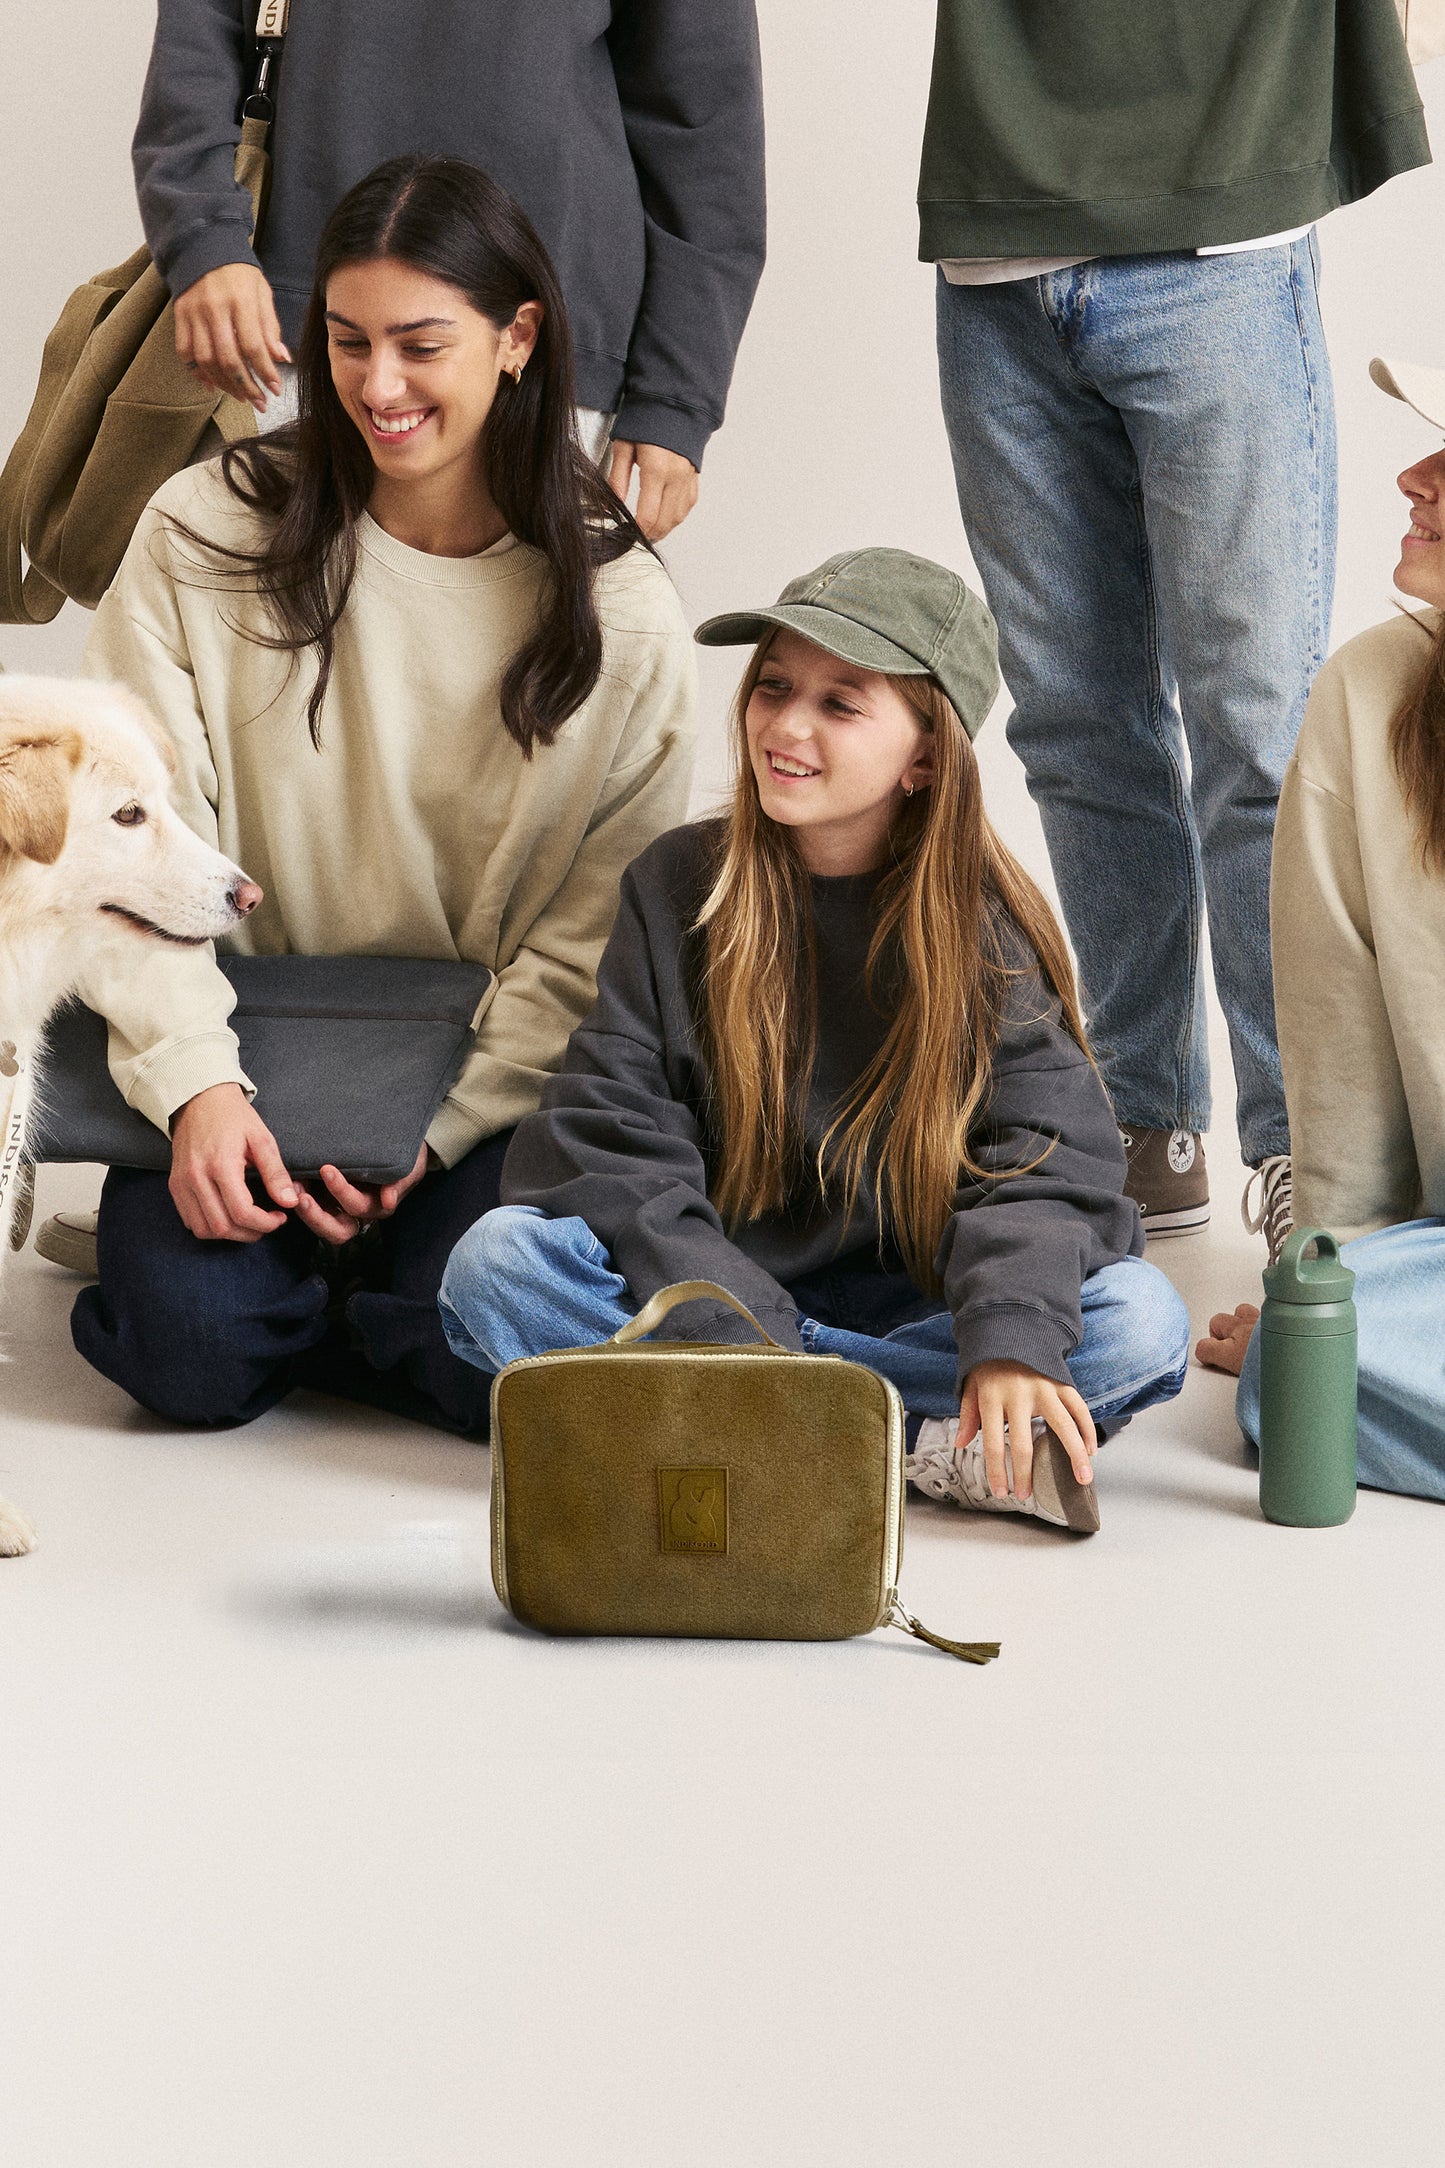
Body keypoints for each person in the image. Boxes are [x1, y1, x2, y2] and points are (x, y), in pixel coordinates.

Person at [63, 155, 697, 1436]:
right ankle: (275, 1296)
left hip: (477, 1088)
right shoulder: (204, 528)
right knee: (191, 1362)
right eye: (345, 343)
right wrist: (194, 1089)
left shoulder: (619, 607)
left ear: (519, 339)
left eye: (421, 344)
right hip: (241, 1054)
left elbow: (594, 930)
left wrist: (443, 1126)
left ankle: (321, 1297)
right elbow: (121, 848)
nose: (377, 386)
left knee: (494, 1365)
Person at [438, 550, 1191, 1530]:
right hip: (714, 1302)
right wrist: (728, 1327)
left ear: (924, 754)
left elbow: (1047, 1158)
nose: (786, 725)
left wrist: (1005, 1338)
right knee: (494, 1262)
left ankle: (766, 1426)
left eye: (841, 703)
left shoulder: (984, 931)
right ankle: (907, 1443)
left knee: (1139, 1319)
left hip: (925, 1311)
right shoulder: (676, 886)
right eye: (775, 686)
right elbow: (610, 1133)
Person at [923, 0, 1429, 1251]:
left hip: (1217, 242)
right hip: (993, 250)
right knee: (1075, 727)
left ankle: (1297, 1153)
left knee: (1259, 736)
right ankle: (1146, 1118)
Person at [133, 0, 766, 538]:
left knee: (526, 676)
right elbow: (199, 43)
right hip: (295, 346)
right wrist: (205, 244)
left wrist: (675, 399)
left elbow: (707, 131)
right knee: (251, 668)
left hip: (540, 364)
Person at [1199, 356, 1445, 1501]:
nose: (1412, 474)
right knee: (1298, 1366)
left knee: (1303, 1373)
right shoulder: (1367, 695)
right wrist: (1325, 1301)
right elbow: (1338, 1064)